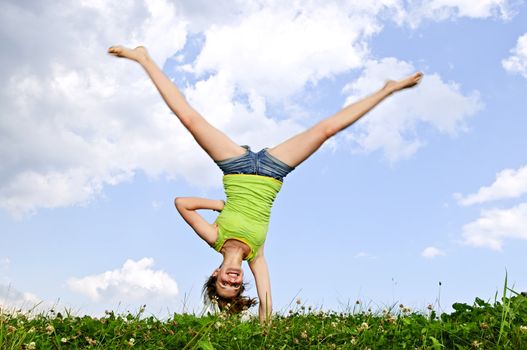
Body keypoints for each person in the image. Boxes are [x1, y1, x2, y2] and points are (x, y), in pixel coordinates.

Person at [108, 45, 423, 323]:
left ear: (215, 275)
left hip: (235, 168)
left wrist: (222, 205)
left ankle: (143, 58)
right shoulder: (256, 256)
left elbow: (181, 203)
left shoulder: (213, 236)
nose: (231, 281)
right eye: (235, 286)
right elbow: (267, 303)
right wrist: (264, 334)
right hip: (272, 172)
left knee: (190, 119)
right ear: (240, 279)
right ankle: (388, 89)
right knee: (326, 130)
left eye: (224, 284)